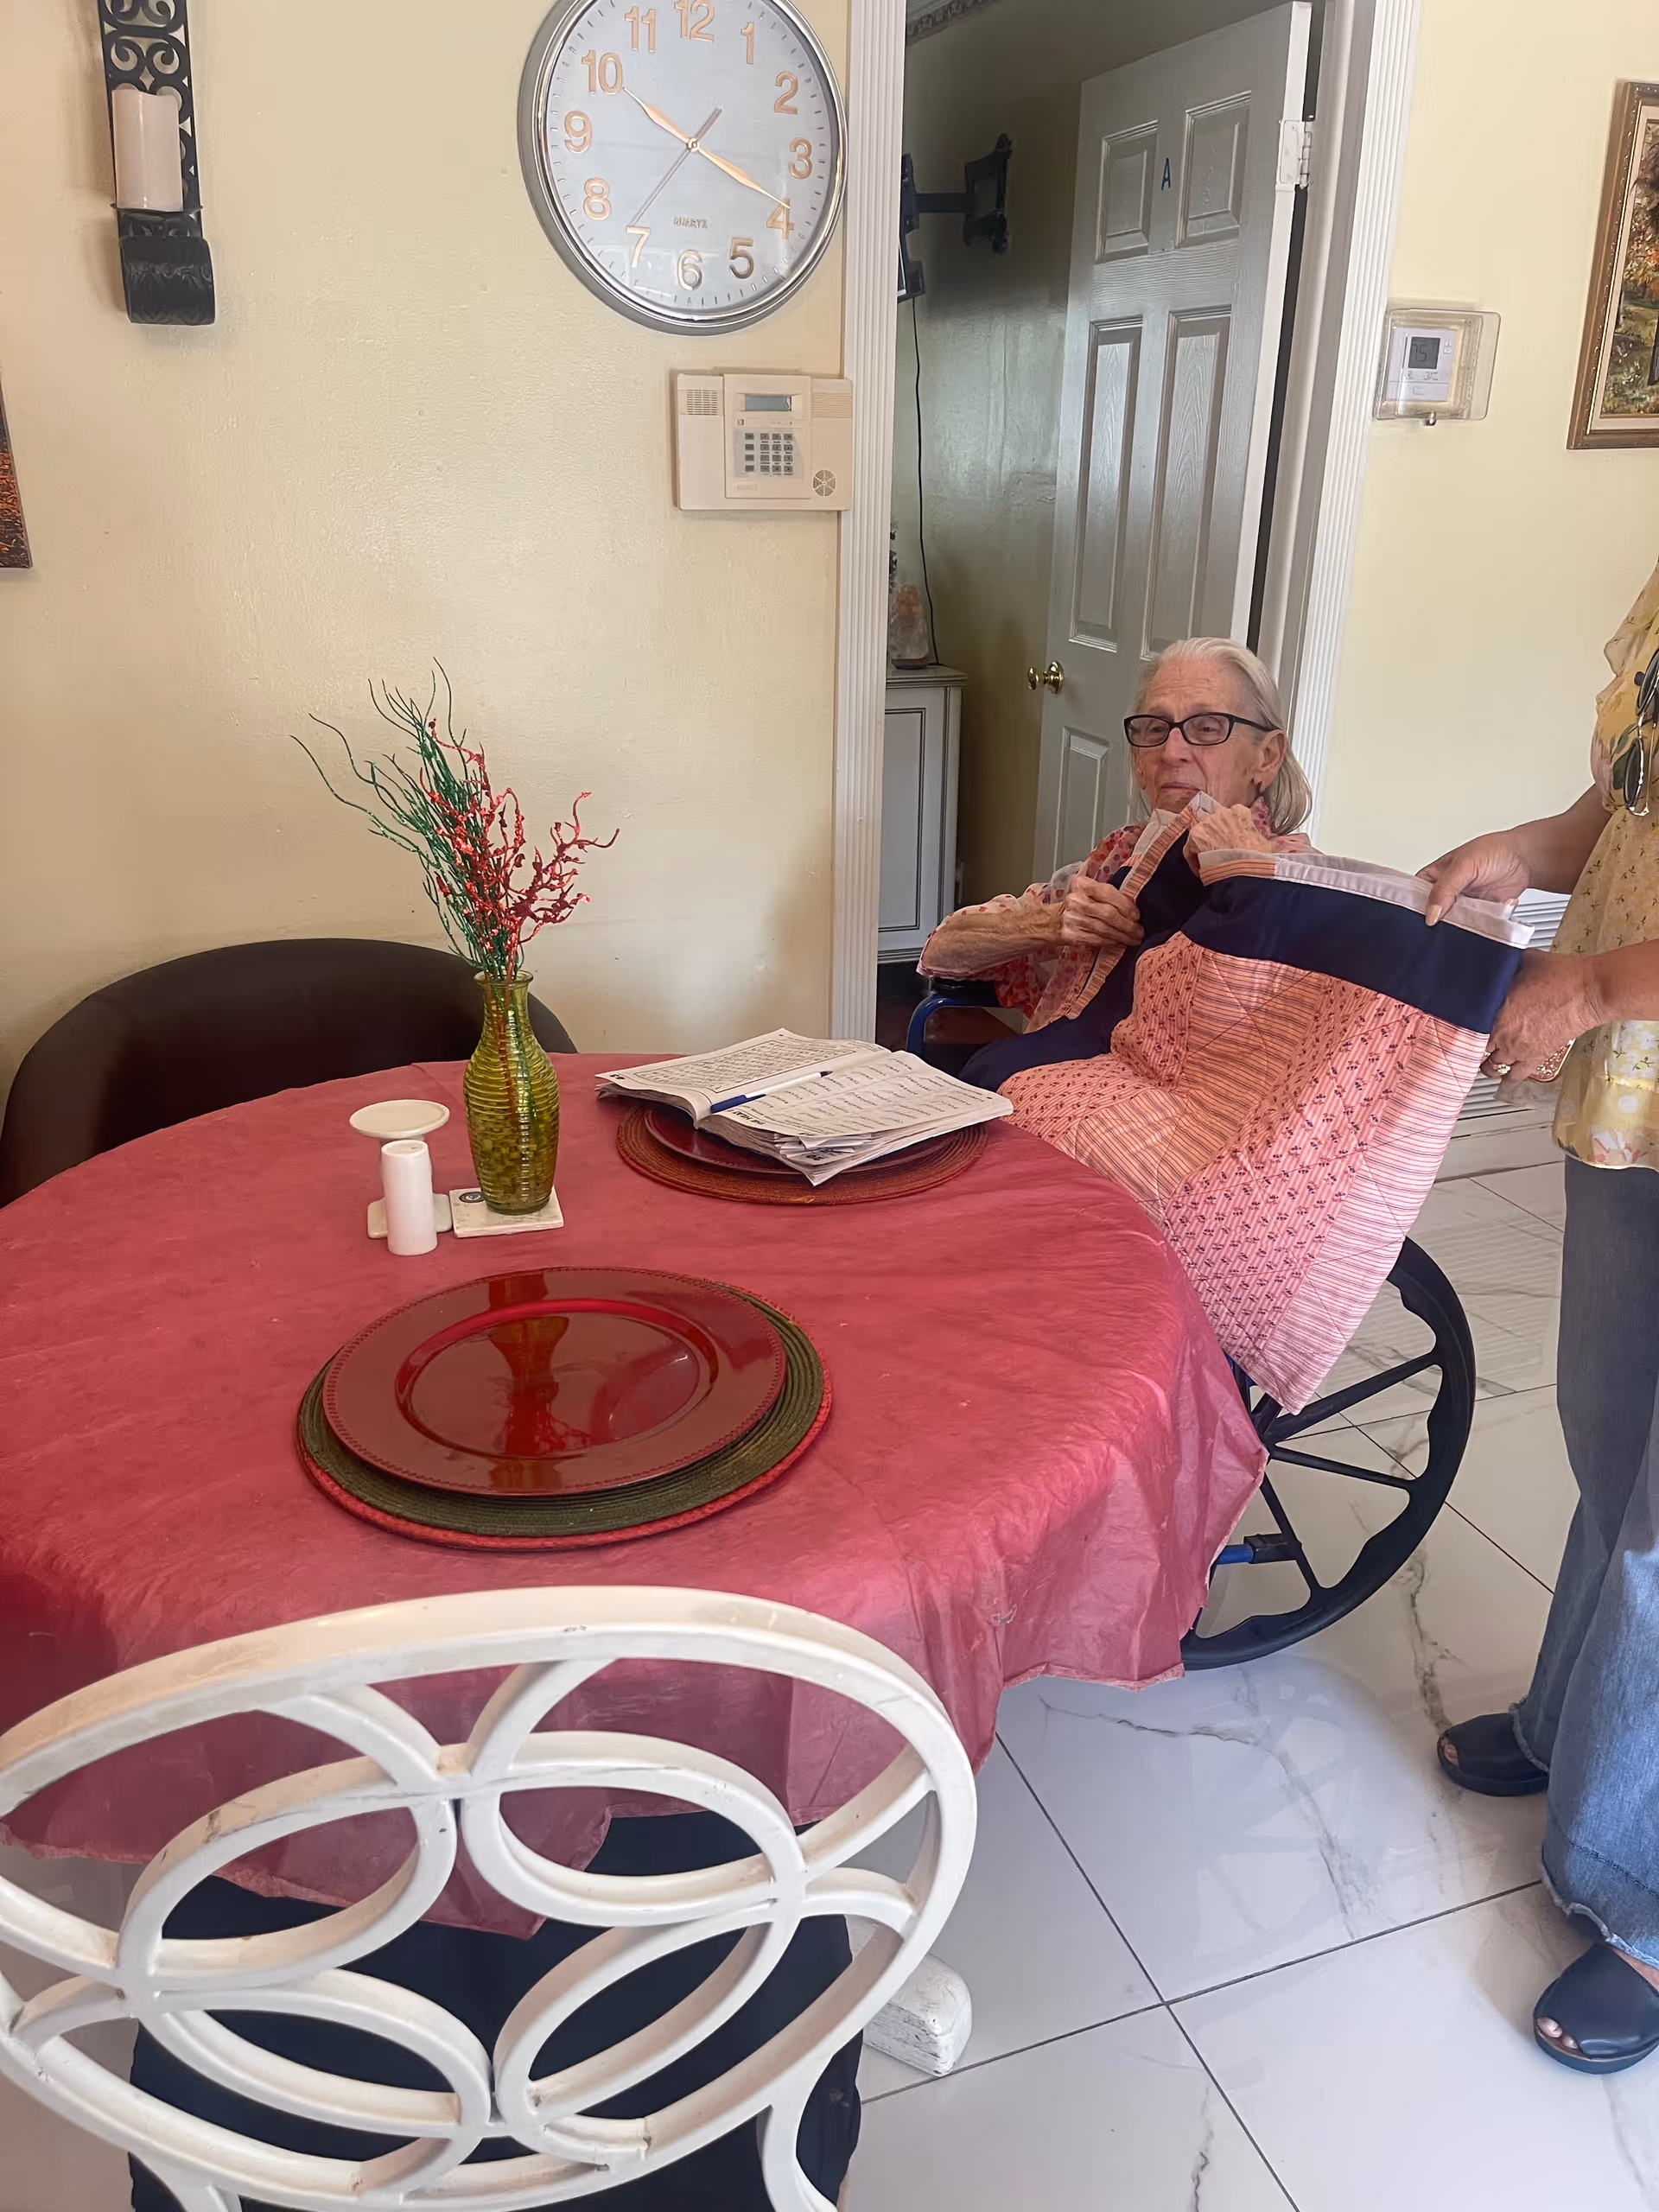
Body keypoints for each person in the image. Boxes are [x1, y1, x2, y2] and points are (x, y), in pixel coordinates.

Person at [1425, 557, 1659, 2075]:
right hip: (1640, 1102)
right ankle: (1586, 1741)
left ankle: (1642, 1896)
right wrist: (1534, 847)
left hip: (1629, 1021)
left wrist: (1587, 985)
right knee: (1610, 1439)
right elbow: (1631, 783)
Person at [918, 637, 1313, 1092]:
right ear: (1139, 763)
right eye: (1154, 729)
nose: (1171, 752)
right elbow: (941, 952)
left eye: (1207, 728)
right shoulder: (1118, 857)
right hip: (1037, 1098)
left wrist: (1247, 870)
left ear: (1266, 757)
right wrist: (1050, 922)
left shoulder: (1298, 875)